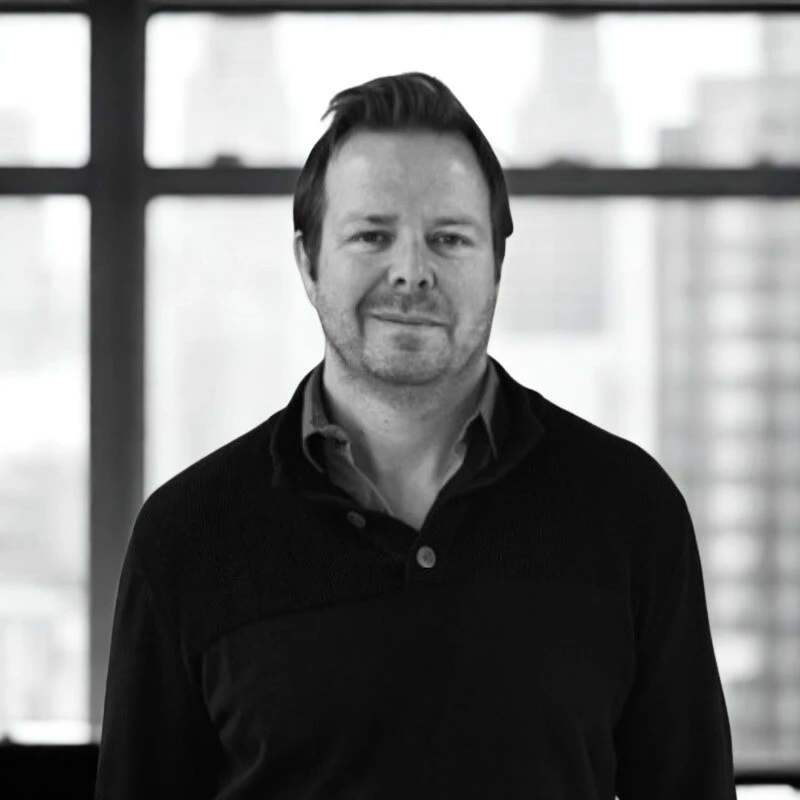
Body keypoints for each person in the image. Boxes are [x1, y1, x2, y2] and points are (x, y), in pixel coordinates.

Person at [94, 71, 737, 799]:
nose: (411, 272)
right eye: (372, 235)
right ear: (308, 262)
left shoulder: (630, 511)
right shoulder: (188, 536)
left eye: (449, 239)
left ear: (497, 265)